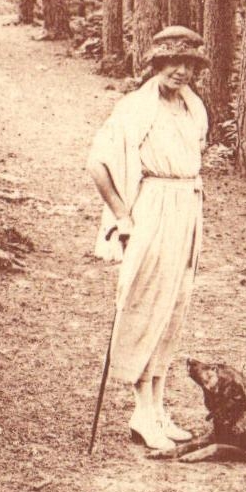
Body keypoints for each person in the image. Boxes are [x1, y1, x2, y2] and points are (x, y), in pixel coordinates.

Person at [87, 26, 208, 454]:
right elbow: (98, 163)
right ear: (156, 64)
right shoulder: (136, 108)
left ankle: (157, 408)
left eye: (188, 63)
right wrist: (123, 217)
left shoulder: (193, 106)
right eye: (171, 62)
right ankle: (140, 411)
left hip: (187, 207)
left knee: (174, 308)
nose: (180, 71)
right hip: (153, 208)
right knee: (147, 305)